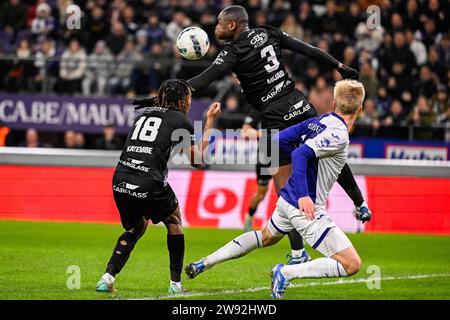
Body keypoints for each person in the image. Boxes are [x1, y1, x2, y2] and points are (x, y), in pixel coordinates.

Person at [164, 5, 370, 264]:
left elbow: (205, 78)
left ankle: (298, 254)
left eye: (218, 23)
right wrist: (339, 65)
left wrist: (168, 93)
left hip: (273, 121)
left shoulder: (232, 52)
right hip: (300, 105)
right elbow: (308, 50)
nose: (215, 27)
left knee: (283, 189)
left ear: (232, 25)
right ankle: (359, 202)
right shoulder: (268, 32)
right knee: (331, 150)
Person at [185, 79, 367, 299]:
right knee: (351, 264)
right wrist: (303, 196)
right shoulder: (339, 134)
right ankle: (286, 272)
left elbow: (279, 140)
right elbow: (300, 154)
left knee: (265, 237)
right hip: (305, 207)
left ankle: (206, 262)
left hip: (286, 201)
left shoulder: (320, 121)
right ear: (360, 108)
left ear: (334, 103)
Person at [96, 79, 221, 294]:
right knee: (173, 221)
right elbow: (198, 161)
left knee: (137, 227)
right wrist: (210, 122)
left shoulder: (143, 115)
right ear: (181, 100)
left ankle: (106, 278)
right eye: (188, 98)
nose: (189, 103)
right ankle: (175, 286)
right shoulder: (181, 120)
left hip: (120, 177)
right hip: (148, 179)